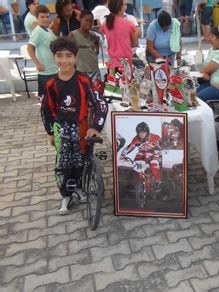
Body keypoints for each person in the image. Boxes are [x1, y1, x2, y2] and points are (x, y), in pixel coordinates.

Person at [41, 37, 108, 215]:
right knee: (63, 163)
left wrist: (95, 127)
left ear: (76, 58)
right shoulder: (50, 83)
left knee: (82, 161)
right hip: (60, 128)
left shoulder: (84, 80)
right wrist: (49, 132)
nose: (64, 60)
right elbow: (46, 109)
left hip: (82, 127)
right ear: (53, 57)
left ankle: (78, 188)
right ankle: (65, 195)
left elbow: (100, 104)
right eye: (59, 56)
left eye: (69, 56)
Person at [119, 122, 162, 192]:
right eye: (139, 132)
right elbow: (128, 147)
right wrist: (122, 155)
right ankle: (140, 180)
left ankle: (158, 182)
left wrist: (160, 151)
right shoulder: (136, 139)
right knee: (137, 161)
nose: (141, 134)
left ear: (147, 132)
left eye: (143, 132)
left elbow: (163, 146)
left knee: (153, 164)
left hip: (154, 153)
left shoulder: (156, 137)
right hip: (143, 153)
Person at [27, 5, 58, 99]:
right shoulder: (38, 31)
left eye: (47, 17)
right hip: (45, 71)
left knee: (54, 97)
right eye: (42, 17)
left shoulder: (48, 30)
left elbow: (56, 42)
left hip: (53, 68)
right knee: (46, 99)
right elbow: (29, 47)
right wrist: (37, 63)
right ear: (37, 18)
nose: (45, 19)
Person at [101, 0, 138, 68]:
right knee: (127, 78)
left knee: (112, 78)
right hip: (126, 62)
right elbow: (135, 43)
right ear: (120, 7)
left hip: (111, 62)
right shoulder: (129, 24)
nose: (126, 7)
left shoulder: (105, 24)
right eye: (125, 5)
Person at [68, 10, 100, 81]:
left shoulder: (94, 35)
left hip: (94, 69)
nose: (89, 23)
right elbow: (69, 53)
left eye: (91, 21)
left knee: (96, 91)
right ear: (80, 19)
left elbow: (97, 52)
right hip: (80, 70)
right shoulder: (73, 35)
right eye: (86, 20)